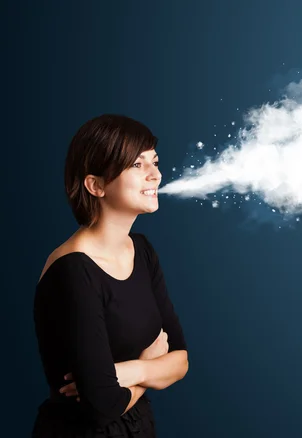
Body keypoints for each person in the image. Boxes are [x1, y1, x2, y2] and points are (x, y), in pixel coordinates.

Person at [32, 114, 189, 437]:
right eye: (137, 165)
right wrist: (150, 368)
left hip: (139, 428)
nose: (155, 175)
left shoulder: (142, 251)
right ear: (96, 185)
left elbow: (181, 360)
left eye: (154, 162)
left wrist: (126, 372)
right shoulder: (73, 271)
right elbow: (101, 406)